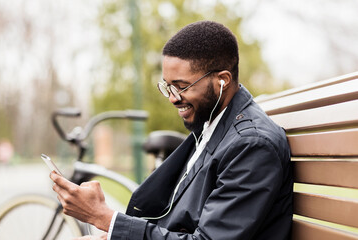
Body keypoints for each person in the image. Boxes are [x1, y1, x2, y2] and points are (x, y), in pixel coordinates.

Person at [51, 20, 293, 240]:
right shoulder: (214, 123)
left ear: (223, 80)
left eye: (182, 87)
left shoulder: (252, 145)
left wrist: (104, 218)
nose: (173, 98)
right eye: (167, 87)